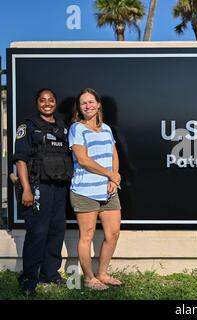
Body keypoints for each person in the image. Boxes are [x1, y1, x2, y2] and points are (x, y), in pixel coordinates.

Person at [13, 88, 73, 296]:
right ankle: (29, 277)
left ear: (55, 103)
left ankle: (50, 273)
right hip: (38, 187)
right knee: (37, 232)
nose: (47, 103)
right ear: (37, 103)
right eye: (42, 100)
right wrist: (27, 189)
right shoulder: (28, 127)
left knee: (56, 231)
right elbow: (20, 160)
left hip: (59, 188)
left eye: (51, 100)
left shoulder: (63, 129)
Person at [69, 88, 122, 290]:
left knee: (113, 233)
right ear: (79, 108)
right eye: (83, 103)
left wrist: (114, 179)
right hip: (85, 190)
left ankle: (102, 274)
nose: (88, 106)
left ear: (98, 104)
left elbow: (113, 155)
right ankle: (89, 278)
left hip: (108, 191)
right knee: (87, 234)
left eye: (91, 102)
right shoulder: (77, 129)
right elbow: (83, 160)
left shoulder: (107, 129)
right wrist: (109, 174)